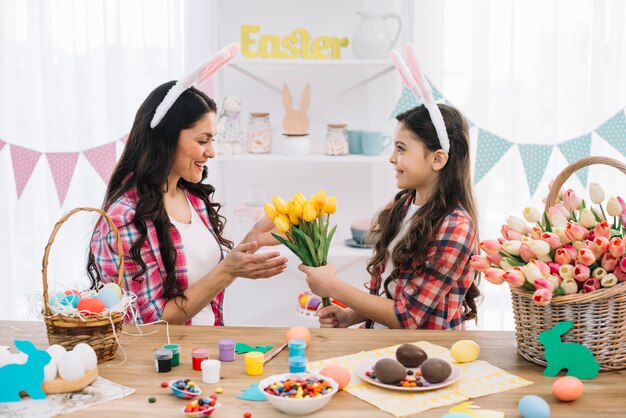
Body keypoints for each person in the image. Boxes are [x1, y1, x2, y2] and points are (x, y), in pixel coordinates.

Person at [88, 44, 287, 325]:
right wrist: (229, 271)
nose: (211, 152)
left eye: (213, 140)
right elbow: (150, 321)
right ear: (166, 138)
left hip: (205, 349)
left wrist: (252, 240)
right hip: (164, 361)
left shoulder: (192, 197)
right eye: (202, 140)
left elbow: (201, 282)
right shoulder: (124, 219)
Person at [299, 45, 480, 330]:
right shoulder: (402, 206)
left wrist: (333, 286)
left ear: (437, 158)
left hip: (428, 359)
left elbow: (407, 317)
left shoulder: (455, 227)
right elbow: (393, 291)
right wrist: (352, 315)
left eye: (401, 148)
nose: (392, 158)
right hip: (386, 348)